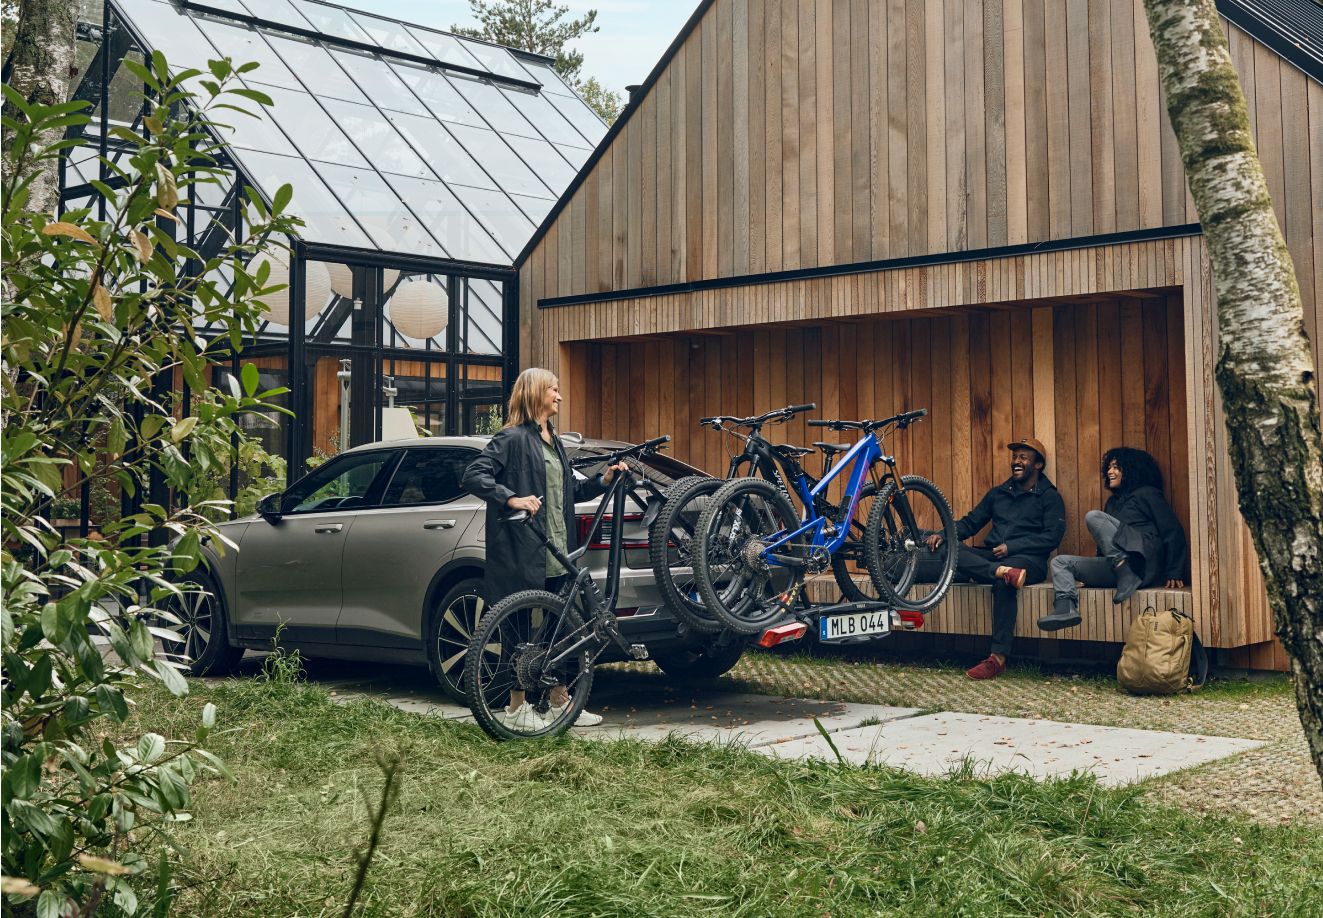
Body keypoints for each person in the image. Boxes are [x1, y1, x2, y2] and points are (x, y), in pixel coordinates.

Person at [462, 367, 628, 731]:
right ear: (536, 393)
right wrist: (513, 498)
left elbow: (571, 490)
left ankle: (559, 702)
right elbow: (474, 475)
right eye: (554, 389)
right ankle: (516, 708)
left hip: (557, 550)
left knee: (563, 629)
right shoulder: (511, 438)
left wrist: (604, 480)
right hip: (524, 549)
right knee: (519, 630)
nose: (560, 396)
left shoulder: (553, 440)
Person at [921, 437, 1067, 681]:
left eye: (1023, 457)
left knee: (1004, 583)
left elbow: (1053, 537)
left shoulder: (1049, 497)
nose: (1016, 462)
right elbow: (970, 522)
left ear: (1038, 465)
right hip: (993, 558)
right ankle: (998, 571)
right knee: (951, 550)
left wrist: (1012, 547)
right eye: (1015, 457)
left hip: (1029, 561)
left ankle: (997, 659)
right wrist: (944, 534)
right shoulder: (999, 493)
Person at [1037, 447, 1188, 632]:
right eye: (1109, 467)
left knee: (1093, 517)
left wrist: (1175, 571)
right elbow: (1105, 540)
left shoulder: (1147, 494)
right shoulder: (1112, 502)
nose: (1110, 471)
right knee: (1060, 562)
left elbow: (1172, 530)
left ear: (1132, 469)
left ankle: (1125, 572)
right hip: (1118, 570)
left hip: (1141, 564)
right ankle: (1065, 608)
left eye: (1116, 467)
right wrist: (1090, 575)